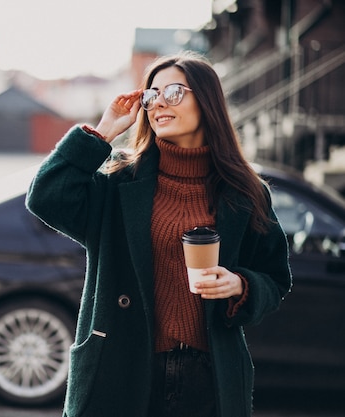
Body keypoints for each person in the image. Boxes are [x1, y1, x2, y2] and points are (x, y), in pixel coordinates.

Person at [25, 51, 292, 417]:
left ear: (207, 101)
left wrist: (240, 286)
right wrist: (102, 132)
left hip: (209, 377)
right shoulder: (120, 183)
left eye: (175, 92)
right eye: (151, 96)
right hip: (123, 368)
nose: (159, 103)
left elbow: (275, 277)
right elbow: (46, 197)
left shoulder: (245, 192)